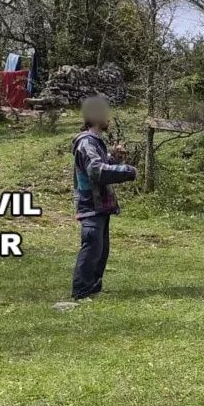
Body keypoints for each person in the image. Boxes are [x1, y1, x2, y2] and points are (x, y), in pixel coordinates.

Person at [71, 94, 137, 302]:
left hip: (101, 206)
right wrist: (127, 170)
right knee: (91, 248)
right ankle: (81, 292)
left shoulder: (95, 142)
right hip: (91, 205)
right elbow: (96, 170)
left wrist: (114, 158)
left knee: (100, 250)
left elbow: (100, 163)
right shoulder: (87, 142)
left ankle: (93, 288)